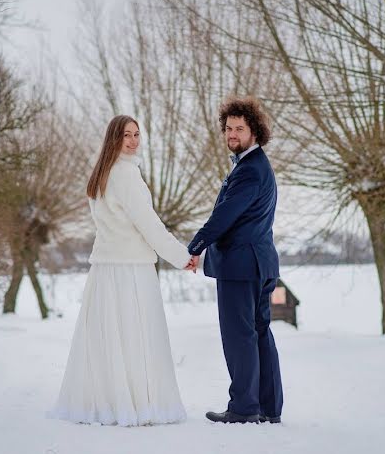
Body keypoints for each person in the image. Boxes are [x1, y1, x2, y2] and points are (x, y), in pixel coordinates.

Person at [49, 115, 195, 426]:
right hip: (130, 270)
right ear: (113, 139)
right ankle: (134, 406)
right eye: (126, 135)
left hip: (105, 269)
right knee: (134, 337)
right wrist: (182, 258)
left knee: (109, 340)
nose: (132, 140)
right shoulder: (127, 176)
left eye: (136, 135)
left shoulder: (101, 175)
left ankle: (109, 403)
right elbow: (150, 227)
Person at [186, 96, 284, 424]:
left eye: (239, 128)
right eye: (228, 128)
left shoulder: (249, 171)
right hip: (258, 264)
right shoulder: (253, 166)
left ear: (254, 131)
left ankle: (244, 408)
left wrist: (195, 246)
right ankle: (268, 407)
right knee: (257, 333)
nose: (232, 134)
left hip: (241, 266)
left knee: (240, 336)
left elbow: (224, 216)